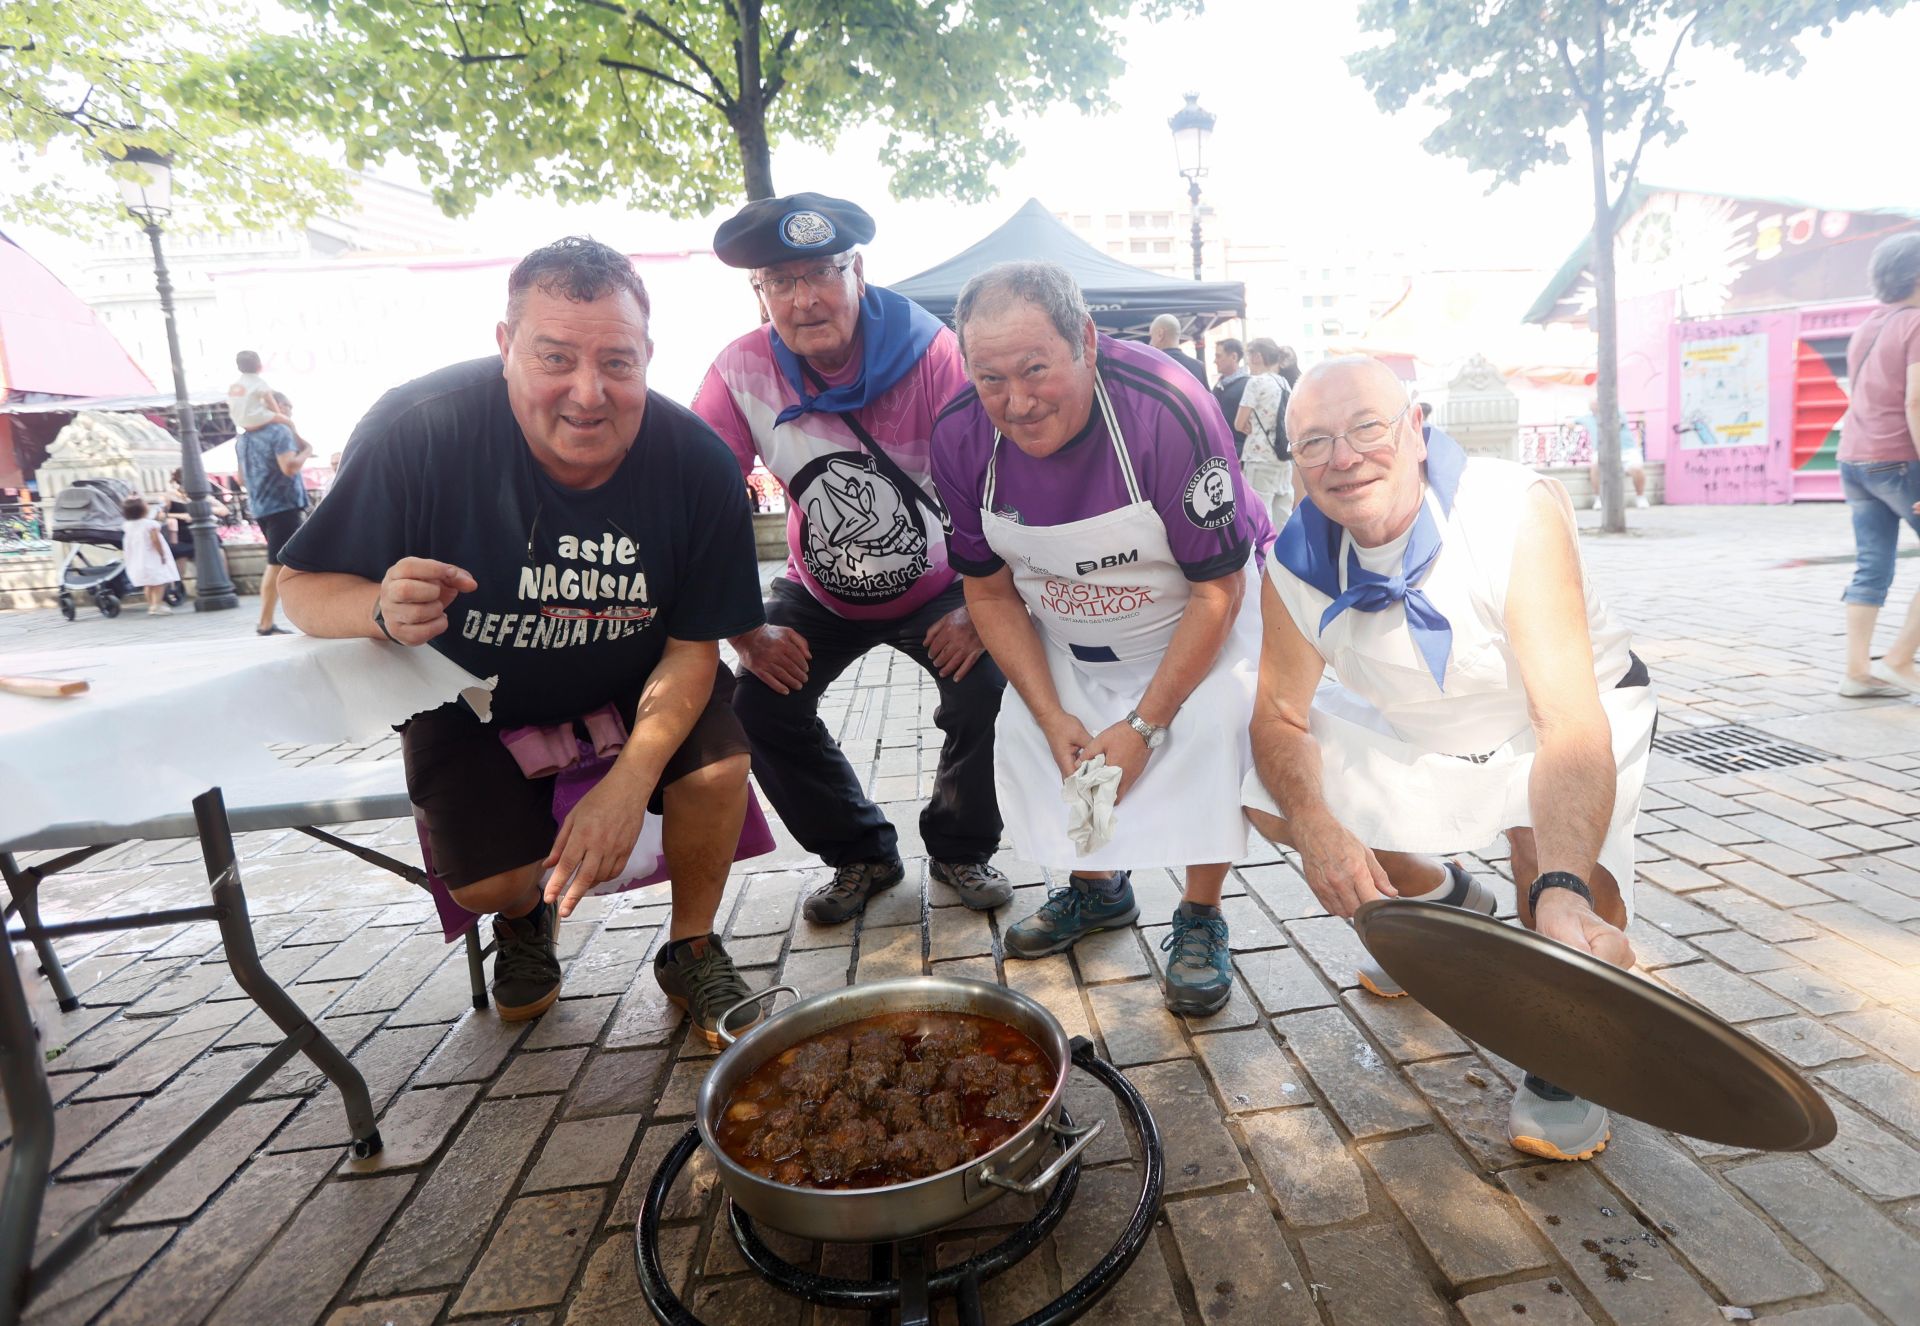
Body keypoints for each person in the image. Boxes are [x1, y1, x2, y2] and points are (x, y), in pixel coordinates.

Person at [276, 237, 770, 1044]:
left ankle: (691, 945)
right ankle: (522, 919)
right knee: (491, 882)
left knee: (717, 768)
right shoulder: (417, 429)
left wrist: (628, 781)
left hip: (634, 674)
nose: (588, 394)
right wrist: (377, 608)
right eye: (554, 358)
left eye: (618, 362)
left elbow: (693, 648)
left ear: (649, 354)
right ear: (506, 347)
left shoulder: (698, 462)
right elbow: (298, 589)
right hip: (466, 694)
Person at [1242, 355, 1657, 1161]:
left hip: (1568, 711)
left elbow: (1565, 718)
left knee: (1550, 860)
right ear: (1295, 464)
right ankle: (1445, 898)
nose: (1344, 457)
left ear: (1418, 427)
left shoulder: (1511, 510)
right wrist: (1318, 823)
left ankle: (1566, 1038)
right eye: (1315, 442)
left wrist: (1564, 887)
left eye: (1367, 427)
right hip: (1430, 724)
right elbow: (1279, 714)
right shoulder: (1294, 562)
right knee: (1259, 786)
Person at [930, 261, 1274, 1016]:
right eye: (990, 379)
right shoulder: (958, 436)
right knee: (1035, 734)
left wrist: (1147, 724)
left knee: (1213, 730)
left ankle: (1201, 914)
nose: (1016, 404)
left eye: (1035, 370)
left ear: (1084, 340)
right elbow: (987, 590)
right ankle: (1098, 891)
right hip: (1066, 624)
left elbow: (1219, 588)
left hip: (1194, 615)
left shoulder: (1167, 406)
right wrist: (1055, 714)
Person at [693, 192, 1012, 923]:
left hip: (941, 580)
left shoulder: (932, 353)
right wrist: (746, 629)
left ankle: (962, 845)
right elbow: (702, 503)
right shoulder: (739, 371)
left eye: (820, 274)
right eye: (781, 281)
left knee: (987, 684)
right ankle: (861, 851)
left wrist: (978, 604)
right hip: (820, 589)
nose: (804, 300)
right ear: (760, 292)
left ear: (857, 271)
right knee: (758, 709)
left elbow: (999, 482)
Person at [1836, 233, 1920, 700]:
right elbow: (1915, 400)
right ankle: (1899, 660)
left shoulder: (1868, 325)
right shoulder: (1917, 324)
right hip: (1899, 461)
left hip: (1855, 458)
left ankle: (1856, 672)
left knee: (1872, 564)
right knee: (1874, 564)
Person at [231, 357, 314, 637]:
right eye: (287, 408)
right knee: (277, 564)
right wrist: (306, 450)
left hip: (261, 506)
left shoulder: (242, 439)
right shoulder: (278, 431)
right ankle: (265, 623)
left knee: (286, 561)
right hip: (284, 505)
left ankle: (281, 619)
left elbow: (240, 479)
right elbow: (288, 468)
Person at [1234, 338, 1294, 529]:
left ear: (1257, 356)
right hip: (1283, 457)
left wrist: (1247, 426)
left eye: (1248, 357)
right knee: (1283, 515)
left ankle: (1263, 558)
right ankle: (1284, 557)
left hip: (1259, 457)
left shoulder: (1256, 382)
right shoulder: (1284, 382)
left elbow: (1238, 423)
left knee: (1260, 516)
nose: (1248, 362)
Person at [1577, 397, 1648, 510]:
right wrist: (1569, 422)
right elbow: (1571, 422)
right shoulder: (1588, 418)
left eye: (1596, 404)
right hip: (1602, 451)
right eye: (1592, 406)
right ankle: (1598, 499)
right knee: (1595, 466)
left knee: (1637, 470)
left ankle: (1640, 497)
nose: (1595, 407)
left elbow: (1617, 424)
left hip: (1626, 451)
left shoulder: (1617, 411)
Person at [120, 494, 178, 615]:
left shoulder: (127, 526)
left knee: (148, 584)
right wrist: (162, 554)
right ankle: (157, 605)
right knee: (159, 581)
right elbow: (155, 540)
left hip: (138, 558)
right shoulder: (150, 524)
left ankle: (151, 605)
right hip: (152, 556)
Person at [1148, 314, 1210, 389]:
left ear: (1160, 334)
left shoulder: (1151, 365)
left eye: (1151, 337)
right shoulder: (1198, 367)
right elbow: (1207, 400)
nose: (1150, 343)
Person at [1212, 338, 1250, 453]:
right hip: (1221, 451)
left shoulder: (1248, 385)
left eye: (1219, 356)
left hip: (1240, 454)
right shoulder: (1218, 386)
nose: (1215, 361)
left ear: (1234, 357)